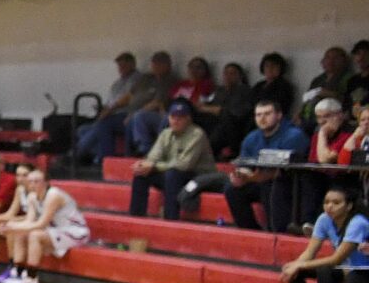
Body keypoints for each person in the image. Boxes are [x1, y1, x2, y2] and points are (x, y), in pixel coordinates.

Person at [266, 182, 364, 283]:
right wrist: (295, 265)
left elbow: (336, 259)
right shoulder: (324, 219)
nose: (330, 206)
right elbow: (310, 252)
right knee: (296, 268)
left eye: (336, 203)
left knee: (324, 270)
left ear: (348, 206)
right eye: (326, 202)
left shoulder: (357, 222)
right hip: (343, 267)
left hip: (360, 268)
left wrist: (300, 265)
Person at [209, 97, 305, 234]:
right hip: (258, 179)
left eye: (267, 114)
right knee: (232, 189)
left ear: (279, 115)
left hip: (288, 183)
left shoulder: (294, 135)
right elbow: (244, 164)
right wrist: (240, 175)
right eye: (258, 115)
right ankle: (250, 231)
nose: (262, 118)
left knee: (271, 186)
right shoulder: (251, 138)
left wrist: (253, 177)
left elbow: (288, 168)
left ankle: (277, 232)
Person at [0, 165, 88, 283]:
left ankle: (31, 278)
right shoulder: (32, 197)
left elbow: (41, 224)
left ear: (46, 182)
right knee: (20, 233)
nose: (33, 184)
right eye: (31, 181)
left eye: (37, 181)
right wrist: (10, 227)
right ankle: (17, 273)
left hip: (74, 232)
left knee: (35, 234)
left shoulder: (53, 195)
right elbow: (29, 221)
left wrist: (14, 227)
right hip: (55, 231)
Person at [128, 100, 214, 220]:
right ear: (168, 118)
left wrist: (154, 166)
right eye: (173, 116)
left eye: (181, 117)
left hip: (198, 177)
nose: (176, 120)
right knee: (141, 174)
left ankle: (171, 218)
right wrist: (145, 164)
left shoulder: (197, 134)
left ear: (188, 119)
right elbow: (153, 156)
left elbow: (185, 165)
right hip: (175, 173)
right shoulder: (166, 133)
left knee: (172, 174)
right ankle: (136, 216)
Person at [294, 97, 353, 227]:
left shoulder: (348, 133)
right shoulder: (318, 134)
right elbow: (314, 162)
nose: (322, 121)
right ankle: (306, 223)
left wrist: (322, 134)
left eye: (326, 116)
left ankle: (318, 224)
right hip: (324, 175)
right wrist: (322, 134)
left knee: (315, 180)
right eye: (318, 117)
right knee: (304, 177)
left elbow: (324, 159)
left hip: (345, 177)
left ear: (339, 115)